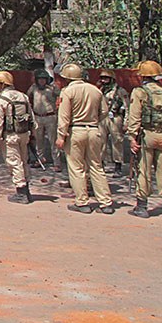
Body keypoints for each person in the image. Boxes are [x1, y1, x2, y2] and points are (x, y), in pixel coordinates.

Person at [55, 63, 114, 214]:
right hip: (93, 130)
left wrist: (61, 136)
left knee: (76, 168)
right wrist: (93, 121)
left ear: (67, 78)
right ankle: (105, 202)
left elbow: (64, 116)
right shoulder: (95, 90)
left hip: (75, 131)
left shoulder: (67, 92)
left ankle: (82, 202)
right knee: (96, 166)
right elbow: (104, 111)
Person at [127, 60, 162, 220]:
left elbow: (134, 117)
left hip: (147, 136)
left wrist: (132, 137)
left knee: (143, 171)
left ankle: (142, 207)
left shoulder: (140, 92)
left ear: (143, 76)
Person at [0, 71, 35, 204]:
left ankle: (21, 192)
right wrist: (33, 134)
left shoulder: (1, 100)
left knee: (14, 163)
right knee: (24, 161)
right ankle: (27, 190)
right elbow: (31, 117)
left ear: (3, 84)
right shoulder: (23, 96)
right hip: (24, 134)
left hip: (10, 136)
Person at [27, 69, 61, 172]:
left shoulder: (52, 88)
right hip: (38, 117)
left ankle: (57, 163)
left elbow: (62, 95)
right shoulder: (34, 88)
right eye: (40, 79)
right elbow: (27, 96)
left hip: (50, 117)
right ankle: (40, 159)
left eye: (44, 79)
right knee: (38, 140)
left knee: (53, 140)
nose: (42, 81)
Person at [99, 69, 129, 176]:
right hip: (103, 118)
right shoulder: (101, 90)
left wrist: (126, 123)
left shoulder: (120, 91)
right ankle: (101, 164)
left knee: (117, 141)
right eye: (102, 78)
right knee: (101, 142)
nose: (103, 80)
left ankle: (118, 166)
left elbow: (127, 107)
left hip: (115, 118)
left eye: (106, 78)